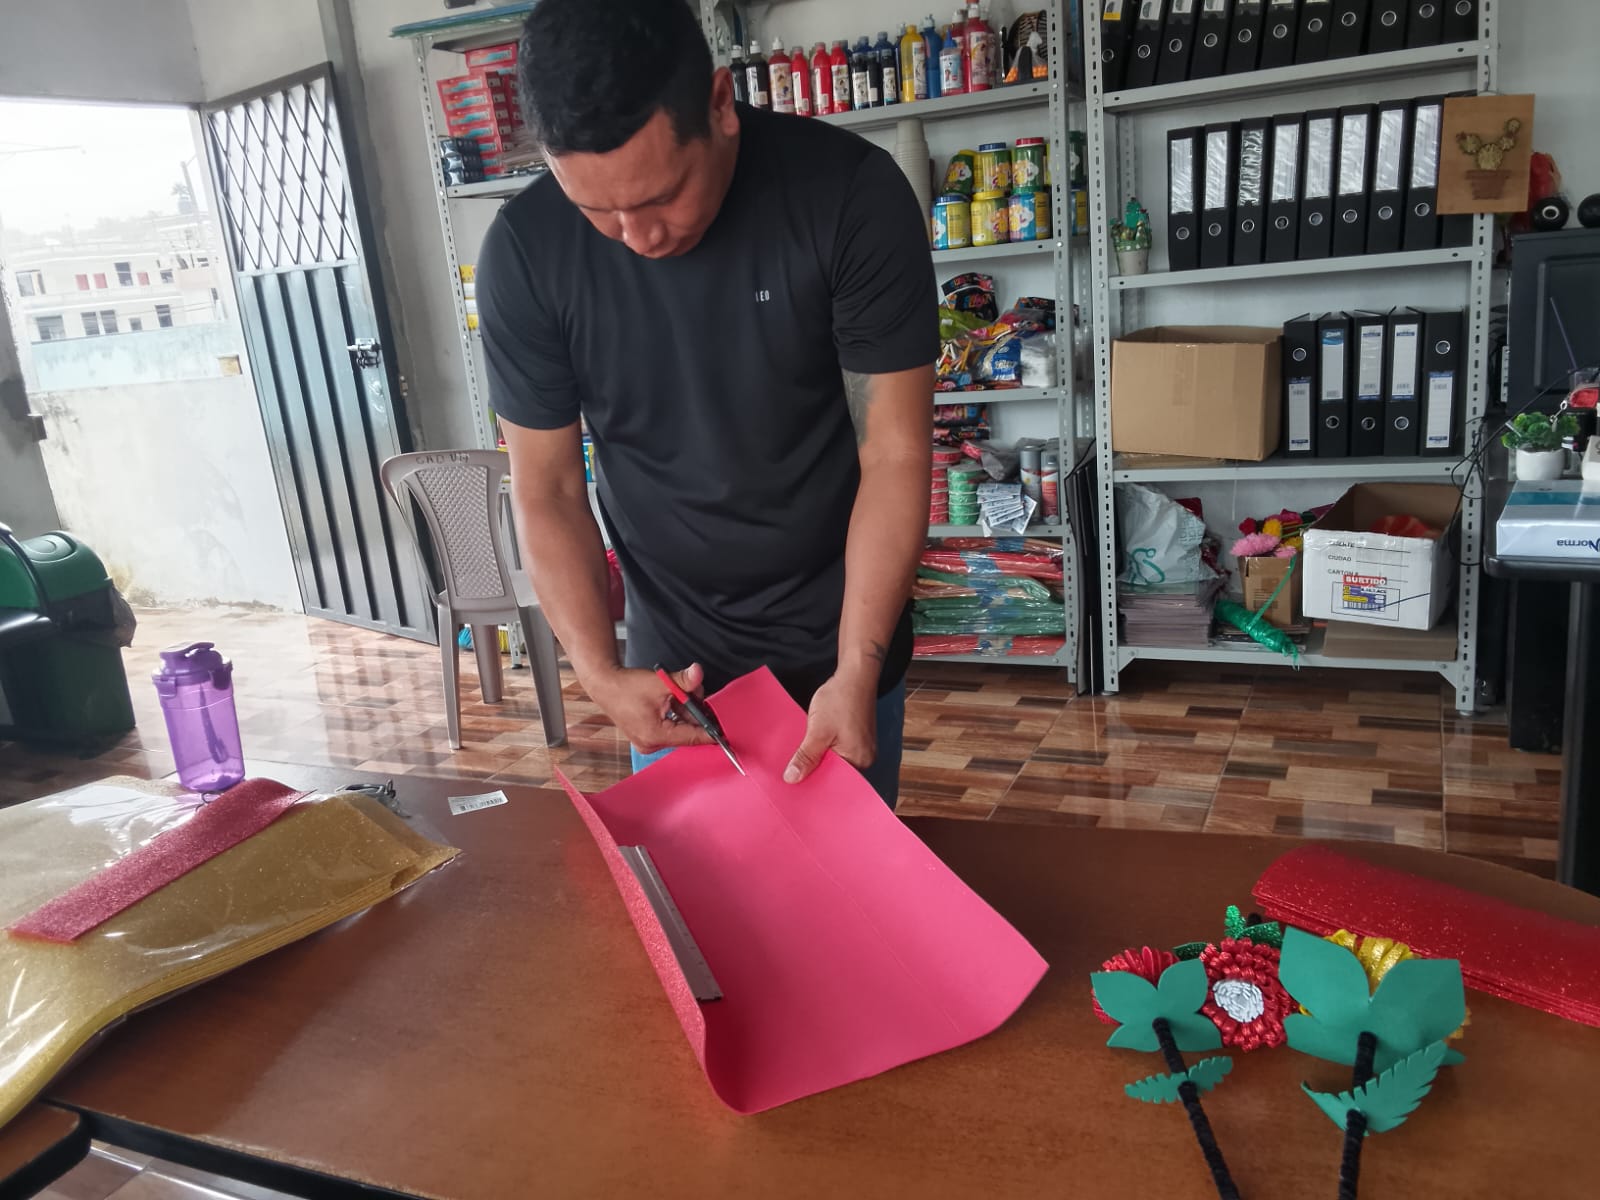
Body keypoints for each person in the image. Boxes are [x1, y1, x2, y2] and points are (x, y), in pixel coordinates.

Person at [478, 0, 935, 806]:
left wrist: (857, 668)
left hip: (842, 648)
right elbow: (545, 487)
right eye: (597, 210)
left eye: (661, 197)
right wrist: (599, 672)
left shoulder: (850, 197)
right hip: (672, 677)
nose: (637, 236)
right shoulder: (526, 252)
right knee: (683, 889)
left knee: (848, 888)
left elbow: (894, 453)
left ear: (721, 103)